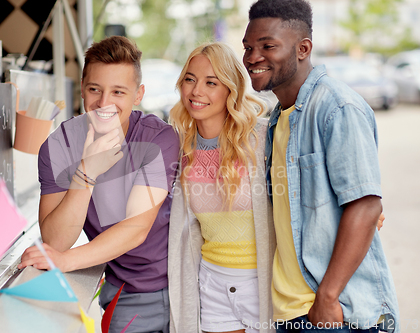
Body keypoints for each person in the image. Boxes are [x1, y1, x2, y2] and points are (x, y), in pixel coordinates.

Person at [242, 0, 399, 332]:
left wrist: (327, 297)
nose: (253, 57)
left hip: (334, 311)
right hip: (290, 312)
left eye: (268, 46)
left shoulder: (336, 107)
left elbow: (366, 205)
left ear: (303, 48)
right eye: (248, 47)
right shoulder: (277, 119)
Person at [18, 36, 180, 333]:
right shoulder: (59, 146)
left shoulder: (159, 139)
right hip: (129, 294)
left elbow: (136, 228)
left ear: (138, 94)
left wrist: (66, 260)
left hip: (185, 288)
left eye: (118, 92)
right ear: (82, 88)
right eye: (95, 89)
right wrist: (85, 172)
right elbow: (56, 240)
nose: (104, 104)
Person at [168, 42, 276, 333]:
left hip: (262, 284)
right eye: (190, 79)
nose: (196, 91)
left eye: (211, 82)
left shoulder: (264, 138)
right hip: (212, 284)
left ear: (231, 89)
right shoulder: (179, 149)